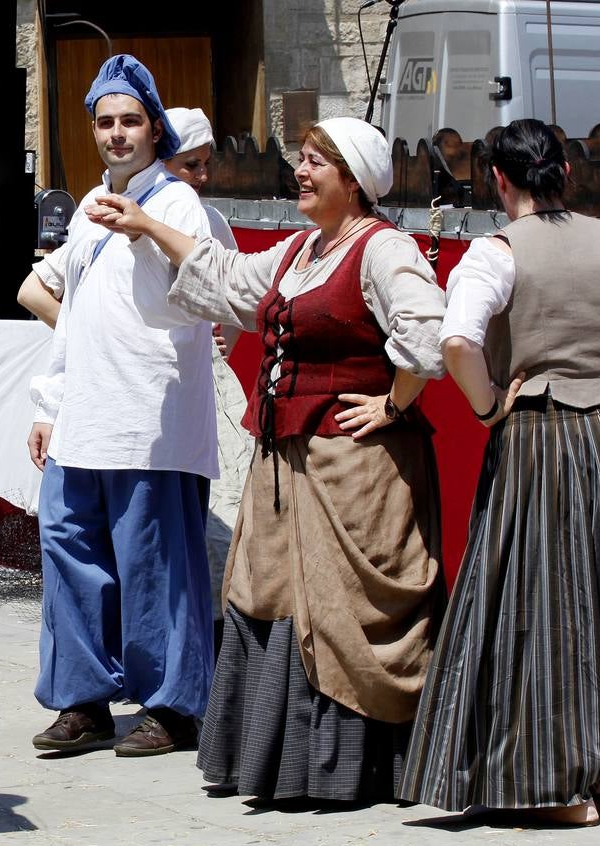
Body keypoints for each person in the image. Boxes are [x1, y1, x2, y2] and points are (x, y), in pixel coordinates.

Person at [88, 117, 448, 802]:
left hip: (353, 468)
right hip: (284, 463)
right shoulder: (301, 249)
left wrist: (394, 403)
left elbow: (428, 331)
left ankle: (359, 768)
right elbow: (224, 275)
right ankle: (289, 765)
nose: (300, 173)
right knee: (273, 594)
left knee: (344, 608)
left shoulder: (382, 249)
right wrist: (146, 225)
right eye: (301, 159)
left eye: (316, 163)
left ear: (353, 181)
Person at [398, 118, 600, 825]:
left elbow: (456, 342)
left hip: (540, 442)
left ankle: (559, 787)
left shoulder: (494, 254)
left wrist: (487, 406)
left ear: (498, 179)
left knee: (541, 607)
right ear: (566, 174)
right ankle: (595, 763)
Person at [23, 54, 217, 757]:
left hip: (149, 415)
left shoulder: (177, 203)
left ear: (154, 128)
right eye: (105, 122)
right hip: (84, 413)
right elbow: (72, 315)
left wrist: (145, 228)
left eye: (129, 120)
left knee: (151, 562)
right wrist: (49, 404)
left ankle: (172, 706)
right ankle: (83, 700)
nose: (116, 133)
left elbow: (207, 285)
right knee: (69, 549)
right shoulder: (86, 208)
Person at [161, 106, 253, 651]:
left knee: (226, 508)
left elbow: (236, 295)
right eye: (188, 165)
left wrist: (223, 343)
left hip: (208, 384)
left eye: (203, 165)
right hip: (157, 382)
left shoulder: (211, 221)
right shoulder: (130, 215)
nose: (200, 176)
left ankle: (220, 642)